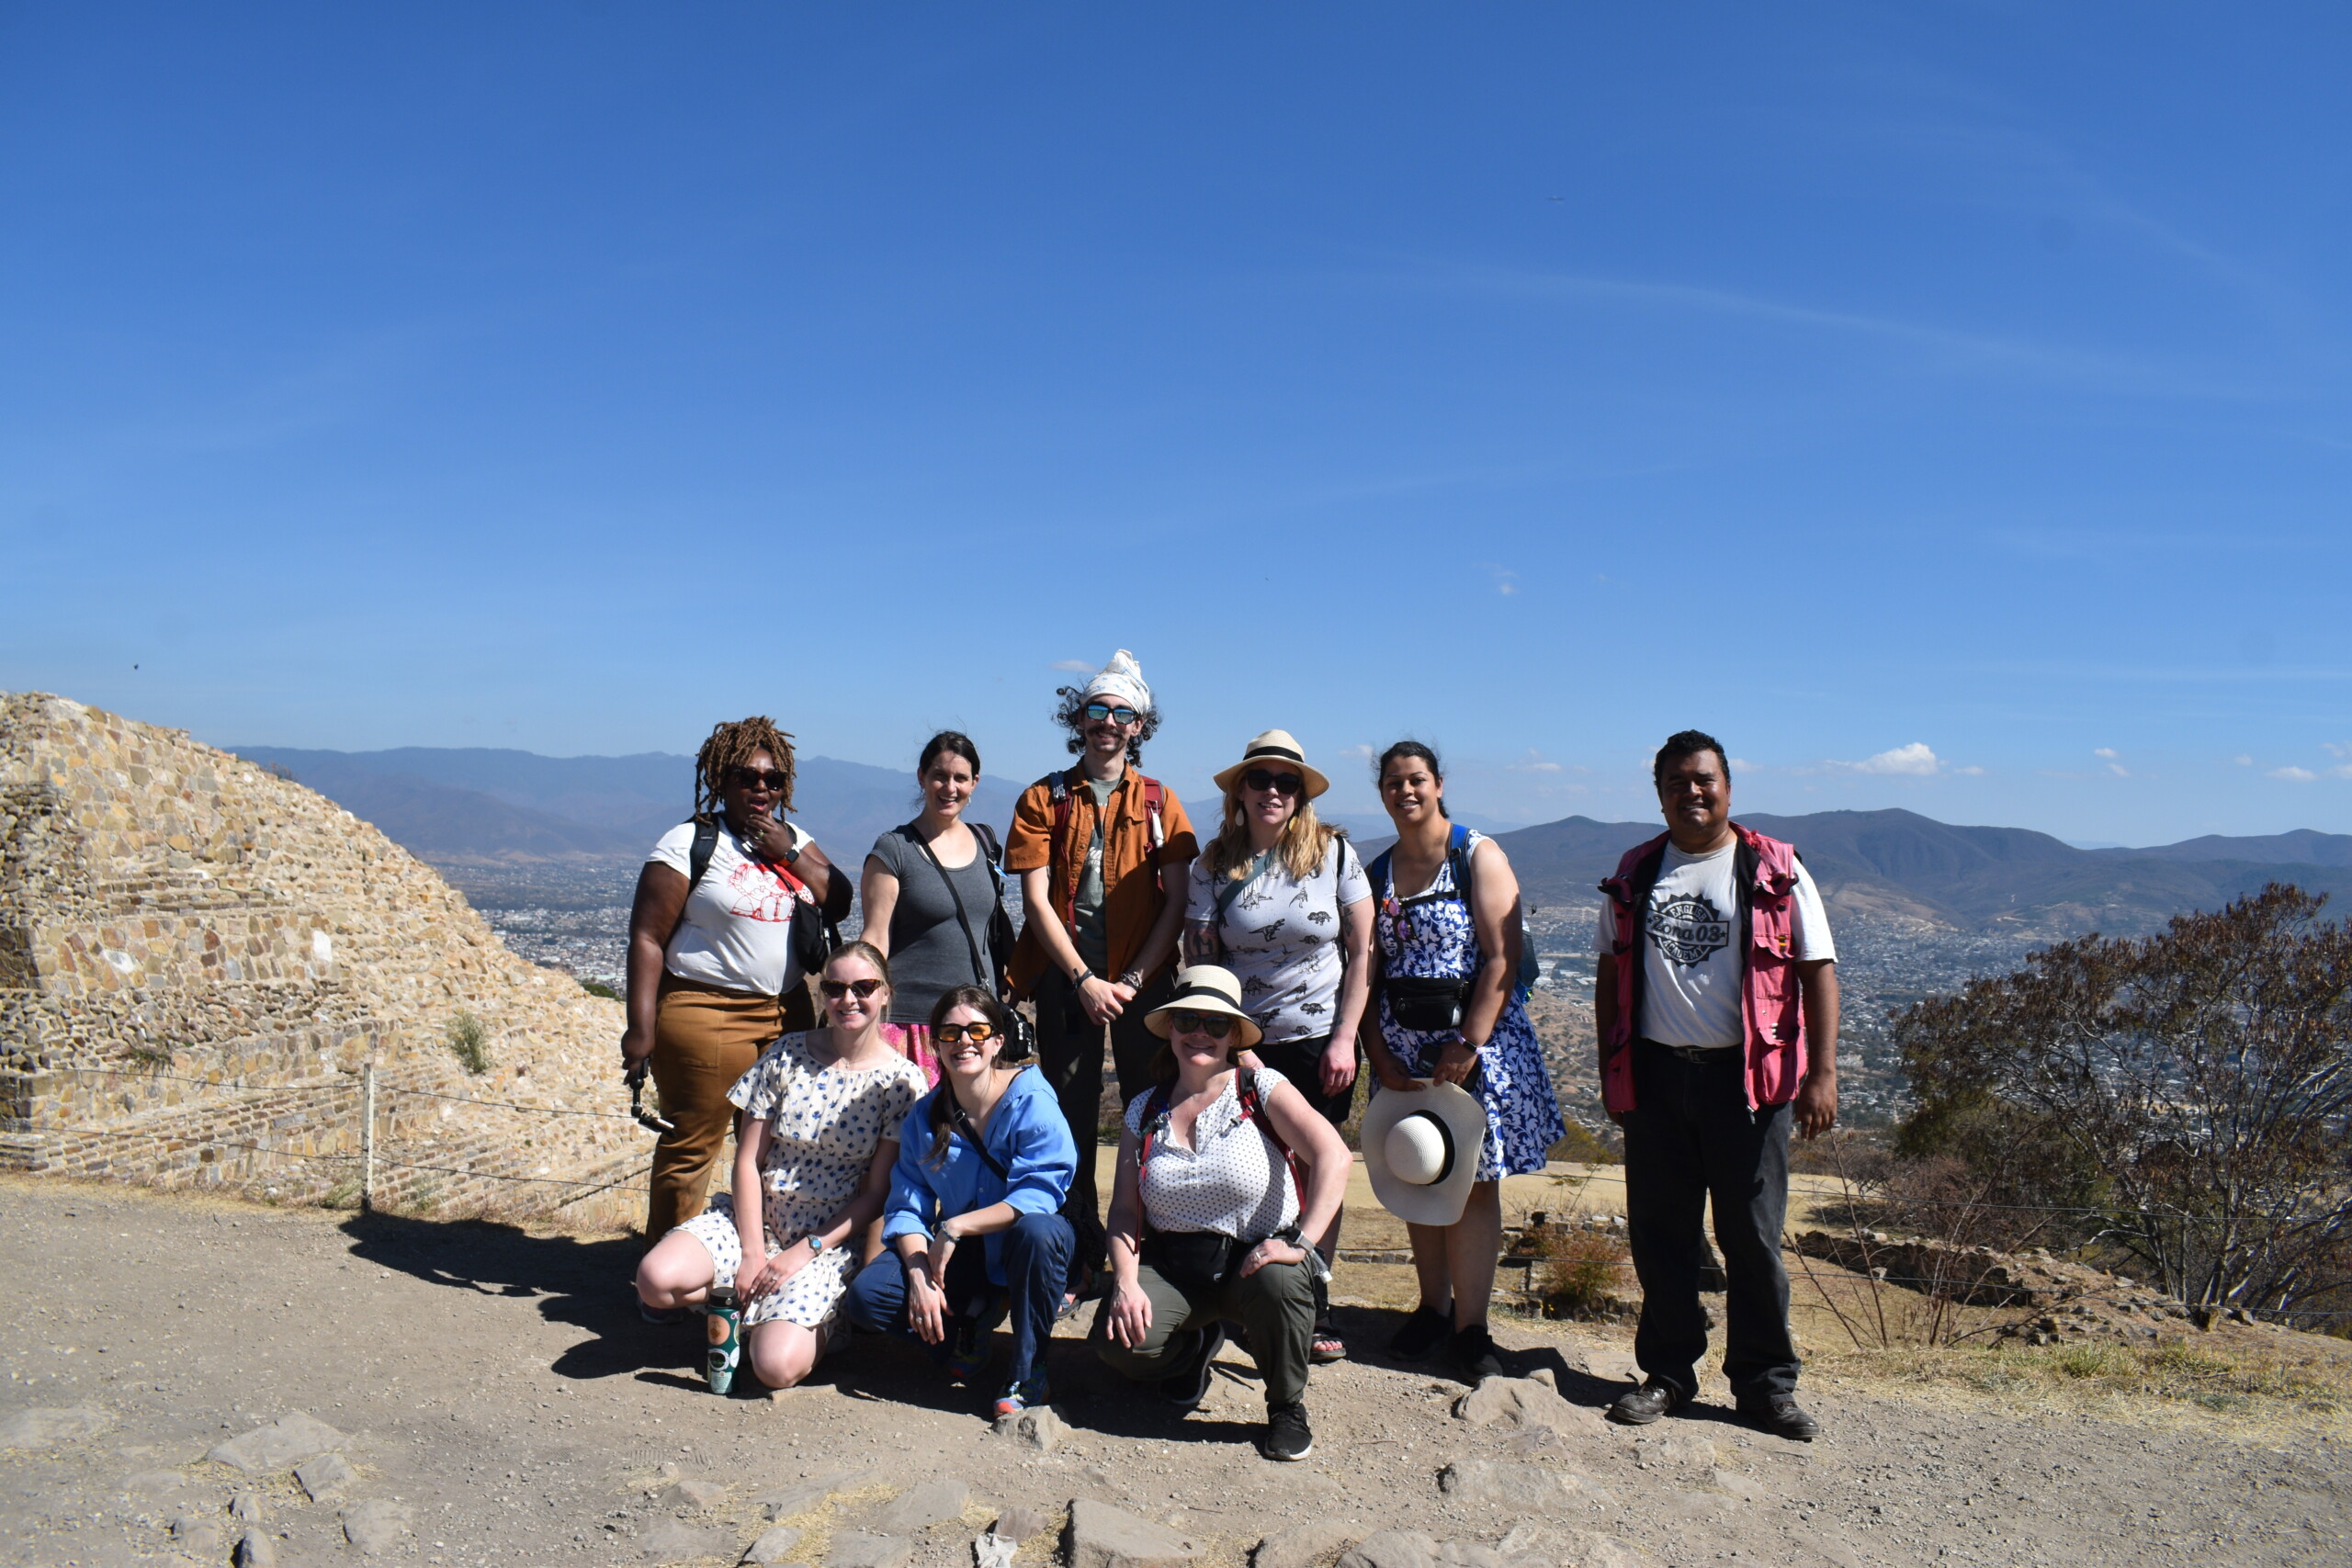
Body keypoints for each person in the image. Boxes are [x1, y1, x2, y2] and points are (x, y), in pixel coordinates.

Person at [1595, 730, 1838, 1442]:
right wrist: (1615, 1069)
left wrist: (1821, 1073)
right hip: (1660, 1075)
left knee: (1752, 1237)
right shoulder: (1637, 870)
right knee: (1662, 1235)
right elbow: (1611, 971)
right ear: (1659, 792)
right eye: (1676, 781)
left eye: (1703, 779)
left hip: (1750, 1084)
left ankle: (1765, 1385)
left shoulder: (1775, 869)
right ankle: (1669, 1372)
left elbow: (1816, 968)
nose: (1691, 792)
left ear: (1728, 785)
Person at [633, 942, 928, 1389]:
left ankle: (819, 1321)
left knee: (774, 1368)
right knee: (654, 1281)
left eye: (863, 987)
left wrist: (801, 1253)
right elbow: (748, 1161)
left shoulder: (901, 1081)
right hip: (754, 1220)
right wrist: (753, 1252)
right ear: (822, 995)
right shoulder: (786, 1054)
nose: (848, 999)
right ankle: (755, 1308)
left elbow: (875, 1195)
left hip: (824, 1240)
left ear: (886, 993)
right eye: (835, 987)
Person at [1361, 740, 1566, 1382]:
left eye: (1416, 779)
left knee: (1474, 1183)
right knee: (1417, 1171)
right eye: (1393, 782)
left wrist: (1468, 1044)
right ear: (1382, 791)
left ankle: (1471, 1326)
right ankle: (1431, 1306)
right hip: (1403, 1045)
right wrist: (1379, 1053)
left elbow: (1501, 958)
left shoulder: (1475, 854)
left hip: (1474, 1044)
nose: (1406, 791)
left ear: (1439, 782)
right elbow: (1363, 969)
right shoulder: (1377, 872)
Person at [1091, 965, 1351, 1462]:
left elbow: (1334, 1157)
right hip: (1176, 1267)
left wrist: (1303, 1245)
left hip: (1256, 1262)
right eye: (1188, 1019)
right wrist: (1124, 1280)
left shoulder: (1261, 1089)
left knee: (1280, 1281)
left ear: (1234, 1034)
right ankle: (1192, 1353)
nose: (1199, 1034)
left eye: (1215, 1024)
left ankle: (1286, 1407)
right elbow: (1125, 1209)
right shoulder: (1144, 1109)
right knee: (1117, 1344)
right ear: (1170, 1027)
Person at [620, 717, 855, 1254]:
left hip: (787, 1009)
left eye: (773, 782)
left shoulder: (792, 839)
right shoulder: (689, 843)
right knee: (694, 1145)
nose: (761, 790)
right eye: (747, 778)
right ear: (720, 780)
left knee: (781, 1145)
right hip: (708, 1010)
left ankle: (755, 1262)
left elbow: (838, 898)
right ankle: (666, 1275)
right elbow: (648, 937)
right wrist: (640, 1028)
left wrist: (787, 851)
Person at [1004, 650, 1198, 1275]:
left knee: (1149, 1110)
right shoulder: (1044, 797)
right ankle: (1079, 1246)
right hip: (1067, 981)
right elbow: (1035, 899)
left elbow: (1177, 900)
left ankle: (1144, 1242)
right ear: (1079, 718)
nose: (1108, 722)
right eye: (1098, 710)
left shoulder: (1161, 801)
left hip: (1142, 982)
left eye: (1122, 712)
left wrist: (1135, 979)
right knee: (1067, 1116)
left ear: (1139, 725)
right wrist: (1084, 978)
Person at [1182, 729, 1372, 1362]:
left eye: (1286, 781)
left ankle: (1314, 1295)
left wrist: (1346, 1036)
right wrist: (1233, 1046)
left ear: (1301, 793)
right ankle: (1254, 1295)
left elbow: (1362, 952)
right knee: (1254, 1167)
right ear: (1240, 790)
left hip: (1320, 1040)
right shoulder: (1209, 867)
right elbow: (1202, 962)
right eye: (1259, 779)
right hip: (1246, 1040)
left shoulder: (1337, 856)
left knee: (1320, 1163)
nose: (1272, 790)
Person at [842, 985, 1077, 1417]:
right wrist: (917, 1276)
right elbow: (906, 1207)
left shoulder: (1031, 1101)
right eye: (950, 1033)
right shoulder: (925, 1117)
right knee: (869, 1296)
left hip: (1023, 1248)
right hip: (964, 1260)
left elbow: (1040, 1192)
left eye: (977, 1030)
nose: (964, 1042)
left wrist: (956, 1226)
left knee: (1037, 1231)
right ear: (935, 1044)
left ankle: (1029, 1368)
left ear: (997, 1041)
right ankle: (970, 1323)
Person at [859, 731, 1015, 1086]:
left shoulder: (985, 842)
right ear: (922, 777)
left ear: (974, 783)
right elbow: (875, 938)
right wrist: (858, 1000)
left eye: (960, 778)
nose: (950, 787)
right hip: (912, 1023)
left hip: (975, 1027)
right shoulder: (895, 850)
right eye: (939, 776)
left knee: (970, 1135)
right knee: (908, 1134)